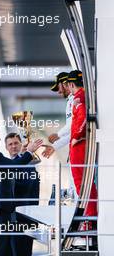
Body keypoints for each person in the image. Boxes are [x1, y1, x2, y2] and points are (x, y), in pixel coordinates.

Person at [0, 125, 43, 256]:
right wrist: (29, 152)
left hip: (0, 208)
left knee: (3, 246)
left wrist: (24, 155)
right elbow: (14, 166)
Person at [67, 70, 97, 221]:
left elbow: (84, 117)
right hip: (81, 146)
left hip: (79, 148)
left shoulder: (79, 98)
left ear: (71, 84)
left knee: (82, 183)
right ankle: (89, 217)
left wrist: (77, 137)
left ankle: (90, 218)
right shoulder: (84, 96)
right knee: (84, 184)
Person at [5, 132, 40, 256]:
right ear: (6, 147)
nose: (13, 146)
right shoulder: (5, 166)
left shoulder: (29, 165)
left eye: (16, 143)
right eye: (10, 144)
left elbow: (30, 190)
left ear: (21, 145)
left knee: (23, 252)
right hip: (10, 219)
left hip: (25, 217)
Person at [42, 72, 73, 157]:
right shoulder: (71, 100)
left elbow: (74, 125)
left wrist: (58, 134)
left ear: (65, 84)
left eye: (58, 87)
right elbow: (72, 133)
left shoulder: (75, 99)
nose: (59, 92)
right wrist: (54, 146)